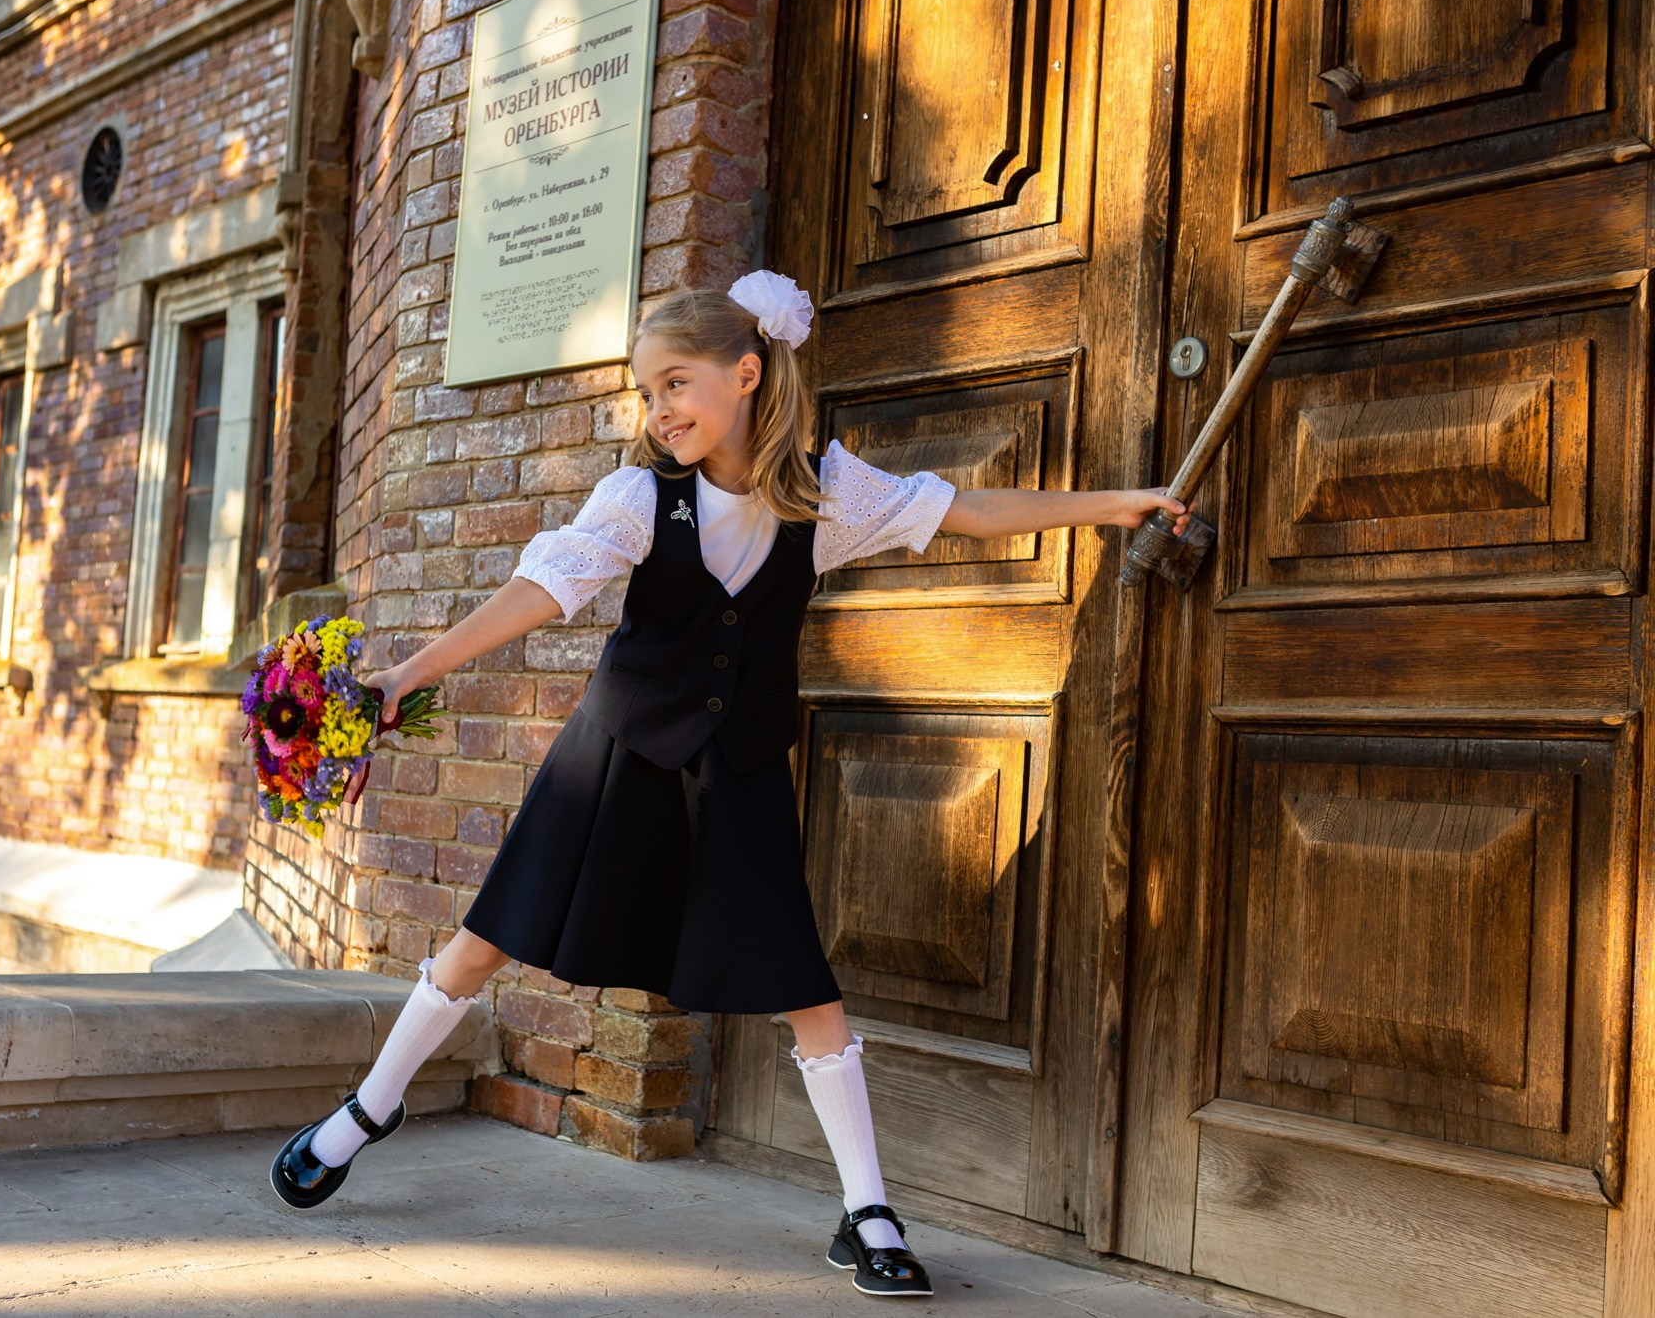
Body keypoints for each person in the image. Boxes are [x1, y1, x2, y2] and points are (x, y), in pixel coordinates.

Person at [269, 270, 1192, 1298]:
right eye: (645, 393)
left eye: (674, 383)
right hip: (615, 754)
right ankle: (368, 1108)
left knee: (802, 986)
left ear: (746, 374)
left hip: (738, 769)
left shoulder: (827, 497)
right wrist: (403, 675)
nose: (657, 410)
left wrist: (1115, 504)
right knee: (490, 935)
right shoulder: (635, 498)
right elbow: (538, 591)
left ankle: (866, 1208)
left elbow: (964, 508)